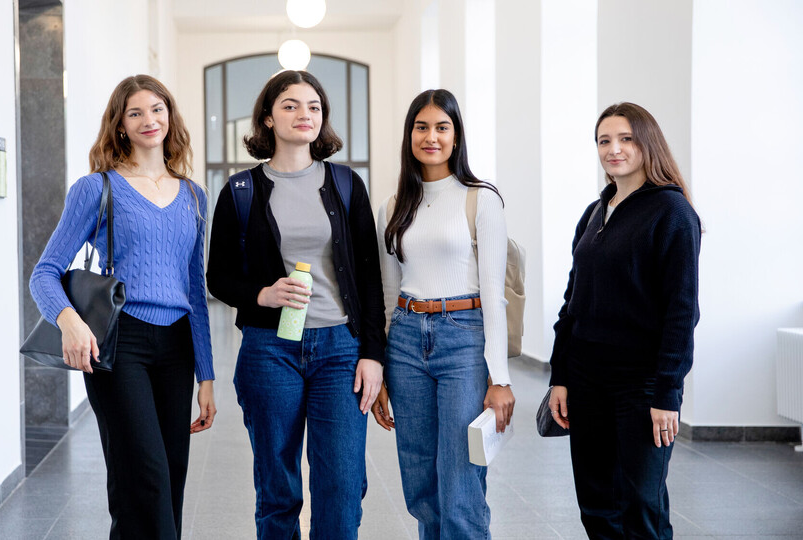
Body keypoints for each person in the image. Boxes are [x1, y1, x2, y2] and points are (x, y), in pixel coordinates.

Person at [29, 74, 216, 540]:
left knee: (168, 479)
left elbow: (195, 290)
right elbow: (44, 272)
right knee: (145, 475)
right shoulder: (96, 189)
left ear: (170, 115)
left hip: (176, 348)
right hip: (118, 343)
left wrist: (206, 376)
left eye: (157, 109)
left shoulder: (194, 196)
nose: (149, 120)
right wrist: (69, 321)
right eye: (135, 112)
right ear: (120, 125)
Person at [206, 69, 385, 540]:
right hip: (270, 348)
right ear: (267, 118)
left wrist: (372, 354)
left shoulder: (346, 185)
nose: (303, 114)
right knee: (278, 488)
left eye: (313, 107)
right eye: (290, 105)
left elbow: (370, 278)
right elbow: (217, 276)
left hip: (340, 350)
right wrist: (262, 295)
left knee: (342, 486)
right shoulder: (240, 191)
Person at [546, 102, 701, 539]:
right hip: (587, 379)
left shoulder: (672, 212)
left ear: (646, 143)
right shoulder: (597, 211)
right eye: (604, 141)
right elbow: (572, 302)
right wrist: (561, 376)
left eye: (625, 139)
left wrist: (667, 393)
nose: (613, 149)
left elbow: (681, 312)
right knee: (596, 505)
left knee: (641, 506)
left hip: (642, 384)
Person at [370, 88, 515, 540]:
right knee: (420, 485)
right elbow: (388, 292)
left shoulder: (480, 198)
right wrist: (385, 369)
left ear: (456, 136)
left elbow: (494, 294)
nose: (430, 136)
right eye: (421, 127)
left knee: (460, 485)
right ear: (409, 135)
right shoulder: (393, 208)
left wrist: (501, 378)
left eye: (441, 127)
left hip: (463, 339)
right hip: (407, 341)